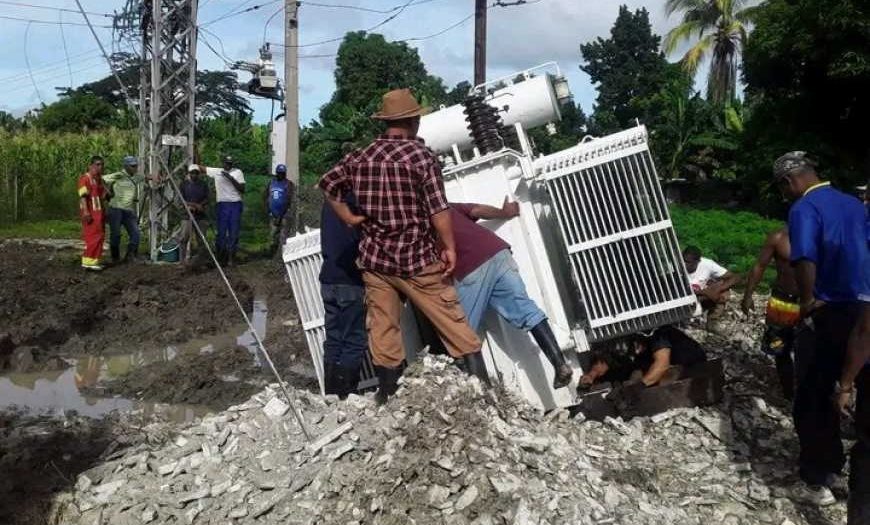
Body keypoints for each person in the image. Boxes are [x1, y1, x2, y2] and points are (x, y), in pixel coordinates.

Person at [319, 88, 484, 404]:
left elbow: (328, 186)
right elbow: (438, 209)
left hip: (376, 262)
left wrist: (350, 217)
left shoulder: (360, 157)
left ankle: (387, 395)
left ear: (387, 122)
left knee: (383, 329)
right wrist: (448, 247)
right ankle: (482, 391)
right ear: (412, 121)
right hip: (416, 260)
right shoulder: (421, 158)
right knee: (453, 324)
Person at [773, 151, 870, 510]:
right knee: (857, 386)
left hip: (829, 311)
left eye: (782, 189)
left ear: (789, 182)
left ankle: (820, 477)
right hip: (864, 312)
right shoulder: (854, 204)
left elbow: (805, 256)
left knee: (812, 395)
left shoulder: (803, 208)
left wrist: (809, 302)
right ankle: (857, 478)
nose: (784, 195)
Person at [449, 199, 573, 388]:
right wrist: (505, 212)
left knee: (461, 333)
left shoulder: (415, 223)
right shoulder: (444, 203)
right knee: (527, 310)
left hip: (471, 266)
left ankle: (481, 393)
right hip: (497, 251)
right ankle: (560, 364)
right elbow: (477, 209)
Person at [741, 228, 801, 400]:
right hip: (781, 303)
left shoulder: (822, 238)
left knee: (808, 350)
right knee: (779, 349)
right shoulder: (779, 237)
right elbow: (759, 266)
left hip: (808, 303)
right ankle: (789, 393)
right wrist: (747, 295)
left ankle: (809, 393)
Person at [319, 194, 367, 398]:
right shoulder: (353, 199)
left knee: (334, 339)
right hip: (349, 280)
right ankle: (346, 395)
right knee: (354, 339)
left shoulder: (330, 201)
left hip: (328, 278)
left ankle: (331, 394)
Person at [579, 325, 706, 388]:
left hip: (690, 361)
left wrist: (639, 387)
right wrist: (591, 375)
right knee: (629, 372)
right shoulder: (625, 335)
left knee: (652, 376)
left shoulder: (656, 333)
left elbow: (662, 364)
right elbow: (604, 360)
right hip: (650, 360)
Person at [199, 155, 245, 266]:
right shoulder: (217, 171)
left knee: (233, 232)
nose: (228, 165)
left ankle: (231, 258)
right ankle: (221, 258)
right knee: (221, 233)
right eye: (226, 163)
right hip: (222, 204)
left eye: (230, 164)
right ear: (222, 163)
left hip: (235, 204)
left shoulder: (238, 172)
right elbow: (202, 168)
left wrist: (230, 178)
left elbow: (242, 189)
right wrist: (195, 155)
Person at [683, 246, 740, 332]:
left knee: (724, 293)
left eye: (688, 262)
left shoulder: (707, 264)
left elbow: (734, 277)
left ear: (697, 261)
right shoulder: (674, 266)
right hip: (683, 300)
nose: (684, 264)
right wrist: (705, 292)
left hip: (701, 299)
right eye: (683, 260)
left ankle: (712, 322)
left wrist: (718, 289)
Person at [103, 156, 143, 264]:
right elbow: (101, 179)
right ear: (126, 166)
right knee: (115, 234)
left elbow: (148, 177)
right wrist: (108, 192)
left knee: (136, 233)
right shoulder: (119, 175)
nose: (135, 168)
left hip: (128, 211)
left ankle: (130, 256)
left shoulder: (136, 177)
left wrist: (156, 176)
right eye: (133, 166)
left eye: (136, 166)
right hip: (115, 209)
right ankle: (115, 257)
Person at [77, 155, 108, 271]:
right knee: (93, 236)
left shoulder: (98, 180)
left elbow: (102, 195)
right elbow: (83, 196)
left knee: (99, 236)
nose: (100, 167)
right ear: (91, 166)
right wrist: (85, 211)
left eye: (102, 165)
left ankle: (94, 260)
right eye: (97, 165)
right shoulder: (85, 179)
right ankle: (88, 260)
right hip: (91, 212)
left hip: (99, 212)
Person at [177, 165, 210, 263]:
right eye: (192, 173)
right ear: (189, 173)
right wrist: (192, 205)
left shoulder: (203, 184)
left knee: (201, 239)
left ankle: (200, 261)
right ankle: (182, 260)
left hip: (200, 215)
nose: (194, 175)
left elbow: (208, 198)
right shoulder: (184, 185)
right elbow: (180, 199)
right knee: (184, 238)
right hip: (187, 215)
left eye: (196, 173)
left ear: (198, 174)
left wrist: (201, 205)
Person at [264, 164, 293, 256]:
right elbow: (265, 196)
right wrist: (268, 209)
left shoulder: (288, 184)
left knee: (283, 236)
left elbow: (288, 200)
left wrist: (280, 216)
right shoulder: (271, 183)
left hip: (284, 214)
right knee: (273, 236)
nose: (281, 175)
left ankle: (283, 255)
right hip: (273, 214)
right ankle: (272, 254)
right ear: (276, 173)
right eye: (279, 173)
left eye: (283, 173)